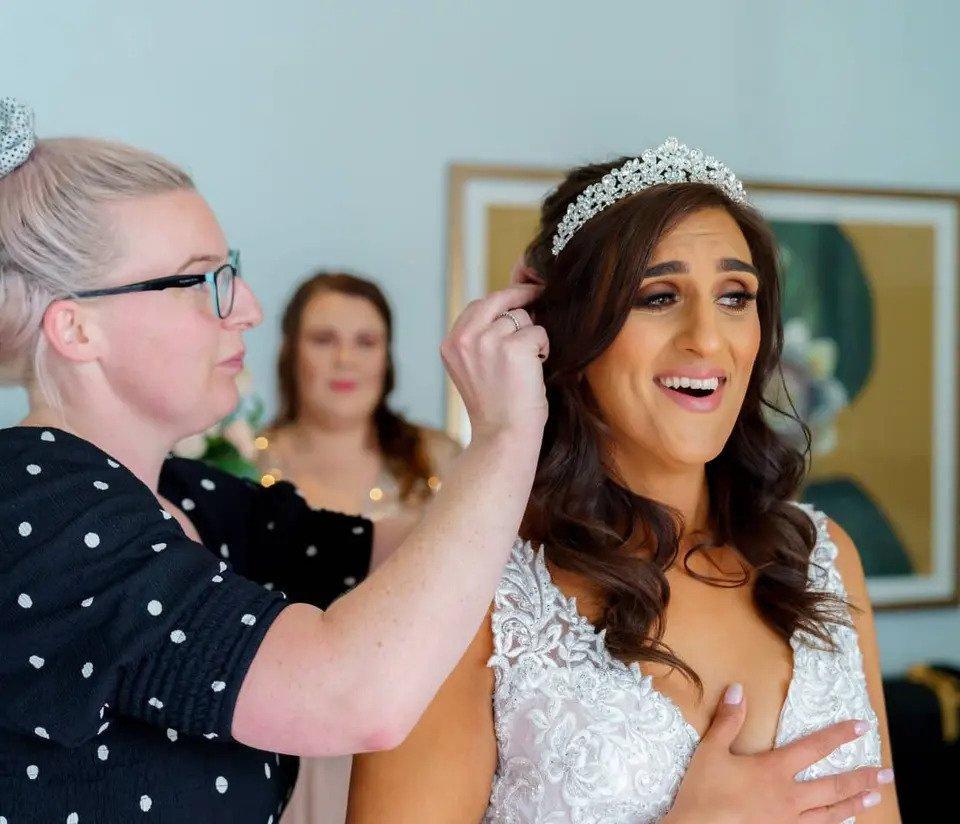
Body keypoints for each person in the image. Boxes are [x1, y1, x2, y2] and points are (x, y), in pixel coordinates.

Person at [0, 98, 548, 822]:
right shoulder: (35, 510)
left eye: (232, 271)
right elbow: (353, 696)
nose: (248, 308)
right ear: (76, 327)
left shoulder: (186, 496)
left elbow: (408, 557)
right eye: (202, 281)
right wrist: (505, 434)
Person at [346, 139, 901, 823]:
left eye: (735, 296)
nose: (707, 338)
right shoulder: (473, 594)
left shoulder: (825, 558)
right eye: (659, 295)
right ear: (572, 337)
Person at [259, 272, 461, 823]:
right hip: (275, 741)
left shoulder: (440, 462)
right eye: (324, 340)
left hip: (412, 732)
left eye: (366, 342)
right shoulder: (237, 467)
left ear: (387, 357)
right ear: (289, 351)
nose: (345, 359)